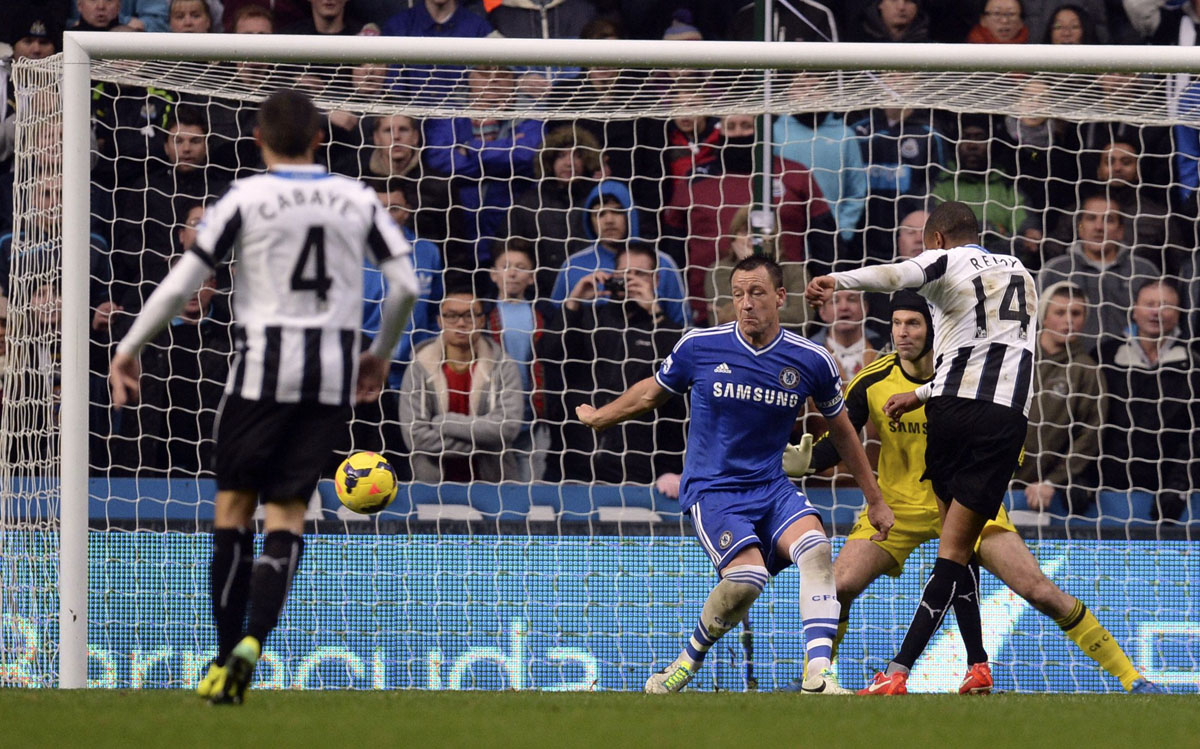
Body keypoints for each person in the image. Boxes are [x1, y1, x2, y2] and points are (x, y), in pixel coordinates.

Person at [108, 90, 419, 705]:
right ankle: (257, 637)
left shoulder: (245, 198)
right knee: (287, 516)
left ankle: (226, 661)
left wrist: (129, 347)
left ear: (257, 139)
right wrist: (379, 353)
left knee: (232, 513)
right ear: (319, 139)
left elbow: (184, 282)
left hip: (259, 371)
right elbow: (406, 283)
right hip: (330, 375)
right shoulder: (356, 197)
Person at [784, 289, 1161, 694]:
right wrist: (804, 461)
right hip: (899, 508)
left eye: (913, 324)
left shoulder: (969, 377)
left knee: (1039, 589)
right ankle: (818, 679)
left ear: (934, 329)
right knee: (837, 585)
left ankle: (1132, 678)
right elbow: (840, 439)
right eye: (896, 324)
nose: (902, 333)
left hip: (967, 502)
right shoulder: (872, 380)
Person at [578, 255, 894, 695]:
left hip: (772, 487)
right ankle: (687, 662)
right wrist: (600, 418)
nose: (746, 304)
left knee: (818, 549)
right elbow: (650, 393)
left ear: (781, 297)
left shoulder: (811, 360)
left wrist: (875, 500)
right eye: (739, 294)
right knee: (748, 579)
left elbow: (844, 433)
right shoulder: (700, 346)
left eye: (757, 293)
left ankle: (818, 676)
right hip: (715, 491)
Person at [806, 200, 1036, 696]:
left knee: (953, 554)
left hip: (954, 416)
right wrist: (920, 392)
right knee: (957, 554)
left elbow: (898, 276)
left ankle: (896, 672)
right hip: (1009, 418)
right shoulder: (1019, 271)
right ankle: (973, 664)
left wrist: (838, 281)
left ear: (935, 239)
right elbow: (994, 354)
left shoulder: (946, 259)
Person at [543, 243, 686, 485]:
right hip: (573, 462)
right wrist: (574, 302)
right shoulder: (588, 318)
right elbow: (549, 355)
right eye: (624, 273)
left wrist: (655, 313)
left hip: (638, 468)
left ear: (657, 281)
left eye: (639, 274)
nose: (630, 279)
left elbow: (679, 373)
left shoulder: (666, 329)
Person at [398, 286, 525, 482]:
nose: (461, 323)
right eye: (451, 316)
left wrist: (445, 422)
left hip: (493, 484)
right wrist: (487, 444)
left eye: (469, 315)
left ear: (482, 320)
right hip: (432, 486)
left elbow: (507, 428)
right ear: (440, 320)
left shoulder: (503, 365)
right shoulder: (419, 366)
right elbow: (415, 437)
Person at [1013, 282, 1104, 513]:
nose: (1069, 320)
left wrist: (1053, 480)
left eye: (1076, 313)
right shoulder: (1015, 355)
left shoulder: (1087, 371)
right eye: (1060, 312)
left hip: (1041, 489)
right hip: (994, 478)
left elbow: (1090, 435)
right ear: (1043, 315)